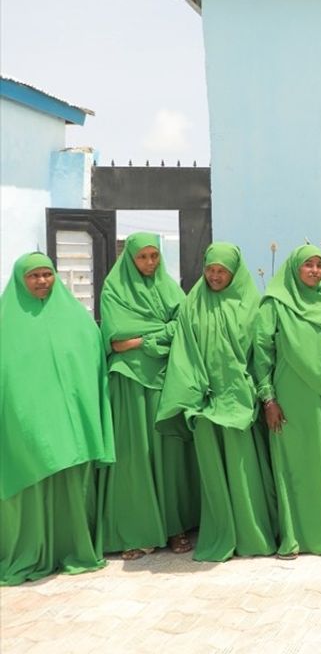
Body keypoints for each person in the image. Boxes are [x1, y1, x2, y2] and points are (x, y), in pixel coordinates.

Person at [156, 243, 278, 562]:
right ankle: (221, 533)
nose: (214, 276)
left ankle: (253, 535)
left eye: (221, 271)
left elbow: (262, 353)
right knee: (214, 476)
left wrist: (261, 394)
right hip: (206, 401)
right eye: (209, 269)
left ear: (234, 272)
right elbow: (184, 350)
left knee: (244, 470)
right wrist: (195, 395)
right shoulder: (193, 302)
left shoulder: (253, 304)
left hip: (242, 399)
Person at [1, 253, 114, 585]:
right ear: (21, 279)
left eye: (46, 274)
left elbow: (90, 367)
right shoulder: (6, 320)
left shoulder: (76, 320)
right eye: (33, 276)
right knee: (27, 494)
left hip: (68, 428)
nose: (41, 281)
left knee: (69, 490)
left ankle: (72, 549)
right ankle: (28, 553)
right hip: (23, 424)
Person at [98, 232, 199, 560]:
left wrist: (139, 339)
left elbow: (184, 324)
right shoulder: (114, 290)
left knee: (168, 453)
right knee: (135, 456)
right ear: (129, 257)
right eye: (142, 257)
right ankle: (138, 530)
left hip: (164, 379)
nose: (149, 263)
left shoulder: (168, 287)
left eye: (155, 256)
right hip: (129, 383)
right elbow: (115, 341)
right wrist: (153, 338)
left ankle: (175, 527)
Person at [252, 244, 321, 557]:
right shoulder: (275, 305)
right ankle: (294, 537)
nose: (315, 271)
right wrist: (268, 399)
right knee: (295, 466)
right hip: (290, 398)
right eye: (308, 265)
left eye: (319, 265)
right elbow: (262, 353)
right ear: (295, 268)